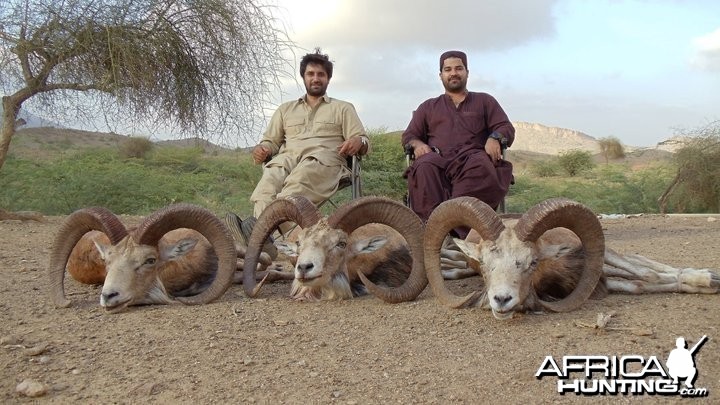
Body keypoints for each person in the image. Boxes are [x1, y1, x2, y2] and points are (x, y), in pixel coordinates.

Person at [233, 49, 369, 239]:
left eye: (321, 74)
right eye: (310, 74)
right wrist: (261, 149)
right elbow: (270, 142)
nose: (316, 78)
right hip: (288, 160)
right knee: (265, 189)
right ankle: (269, 243)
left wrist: (358, 141)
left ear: (328, 79)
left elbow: (362, 139)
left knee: (292, 191)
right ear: (303, 77)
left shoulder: (343, 108)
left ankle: (264, 241)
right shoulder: (285, 110)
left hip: (324, 161)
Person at [402, 50, 514, 238]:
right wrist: (417, 144)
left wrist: (494, 137)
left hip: (472, 158)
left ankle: (463, 236)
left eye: (458, 68)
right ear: (441, 75)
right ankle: (434, 236)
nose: (453, 73)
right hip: (438, 159)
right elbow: (410, 135)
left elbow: (505, 126)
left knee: (480, 166)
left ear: (467, 73)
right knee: (424, 166)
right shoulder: (428, 107)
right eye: (448, 69)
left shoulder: (485, 101)